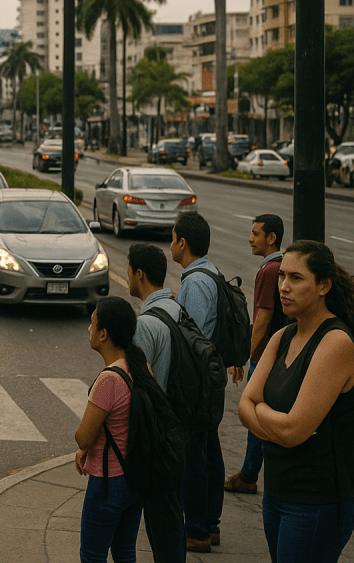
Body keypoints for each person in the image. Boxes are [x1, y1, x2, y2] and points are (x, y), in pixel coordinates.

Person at [238, 241, 354, 563]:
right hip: (276, 491)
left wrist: (261, 411)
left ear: (323, 286)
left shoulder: (335, 342)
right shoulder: (283, 336)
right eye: (282, 276)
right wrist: (273, 417)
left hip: (317, 500)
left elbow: (293, 431)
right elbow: (243, 407)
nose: (284, 287)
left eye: (296, 278)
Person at [75, 296, 156, 563]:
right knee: (125, 553)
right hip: (134, 477)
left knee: (92, 556)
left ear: (104, 334)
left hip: (107, 483)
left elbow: (83, 436)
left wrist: (83, 447)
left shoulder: (109, 379)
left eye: (92, 323)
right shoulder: (140, 365)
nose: (89, 329)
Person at [127, 243, 186, 563]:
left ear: (139, 273)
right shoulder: (176, 309)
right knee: (172, 516)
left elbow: (137, 384)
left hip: (160, 435)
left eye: (128, 271)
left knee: (161, 523)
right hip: (181, 424)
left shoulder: (146, 324)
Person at [170, 211, 225, 552]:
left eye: (172, 238)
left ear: (182, 243)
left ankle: (197, 530)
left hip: (197, 383)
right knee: (209, 452)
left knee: (193, 457)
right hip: (210, 379)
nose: (170, 244)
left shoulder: (195, 283)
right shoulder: (211, 272)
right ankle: (210, 524)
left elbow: (192, 338)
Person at [225, 214, 287, 495]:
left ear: (271, 238)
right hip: (276, 355)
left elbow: (262, 319)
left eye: (255, 234)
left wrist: (243, 356)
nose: (250, 239)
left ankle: (249, 474)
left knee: (254, 415)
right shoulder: (280, 266)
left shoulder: (269, 271)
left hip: (264, 356)